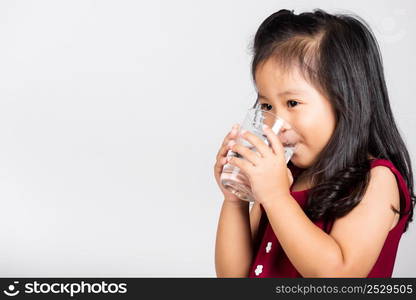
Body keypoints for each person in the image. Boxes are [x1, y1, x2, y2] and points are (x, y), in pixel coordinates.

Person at [214, 8, 415, 278]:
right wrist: (236, 200)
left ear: (346, 101)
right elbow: (232, 278)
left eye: (293, 103)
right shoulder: (283, 177)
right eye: (266, 105)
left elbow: (339, 277)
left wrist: (275, 197)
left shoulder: (375, 181)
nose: (278, 122)